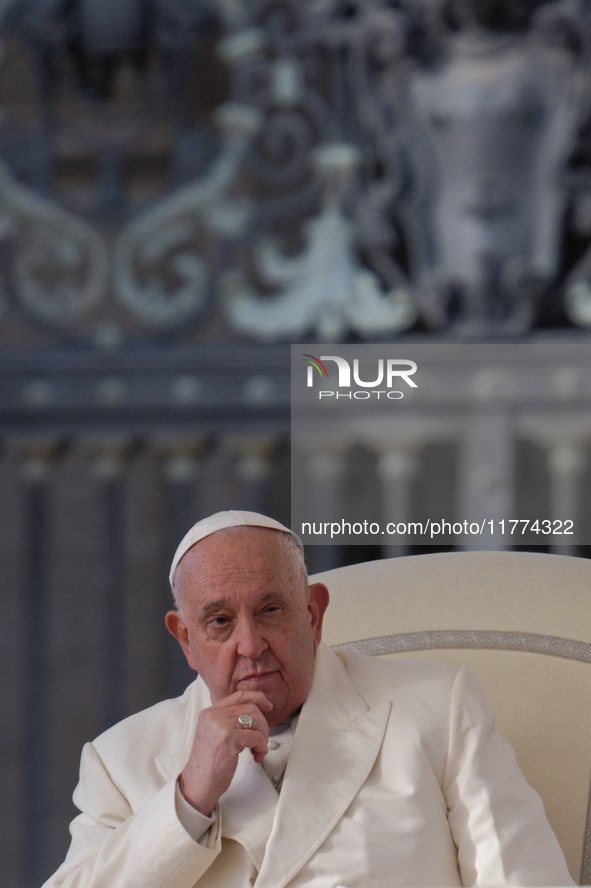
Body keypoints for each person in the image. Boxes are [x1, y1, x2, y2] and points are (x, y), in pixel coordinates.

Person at [43, 510, 574, 888]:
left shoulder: (437, 708)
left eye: (271, 610)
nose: (250, 646)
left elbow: (524, 879)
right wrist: (187, 800)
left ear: (314, 614)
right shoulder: (119, 759)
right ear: (185, 639)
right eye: (220, 622)